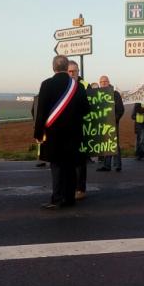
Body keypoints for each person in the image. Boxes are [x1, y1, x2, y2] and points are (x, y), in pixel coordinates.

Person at [34, 55, 89, 209]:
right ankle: (69, 198)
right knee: (71, 166)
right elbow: (86, 110)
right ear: (67, 68)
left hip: (53, 135)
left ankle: (57, 199)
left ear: (53, 67)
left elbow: (41, 112)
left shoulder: (46, 84)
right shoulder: (78, 86)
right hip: (73, 134)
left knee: (57, 167)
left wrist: (38, 133)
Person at [67, 60, 91, 200]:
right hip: (65, 131)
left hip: (82, 128)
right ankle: (69, 188)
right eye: (69, 71)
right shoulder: (63, 85)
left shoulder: (84, 86)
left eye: (74, 71)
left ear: (78, 72)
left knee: (80, 162)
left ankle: (80, 189)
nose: (72, 74)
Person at [96, 76, 125, 172]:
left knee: (114, 143)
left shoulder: (115, 94)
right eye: (101, 82)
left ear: (109, 82)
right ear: (99, 83)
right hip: (102, 124)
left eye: (105, 81)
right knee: (106, 144)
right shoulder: (97, 95)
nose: (103, 83)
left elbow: (121, 109)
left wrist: (114, 120)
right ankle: (106, 165)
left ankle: (117, 165)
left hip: (112, 123)